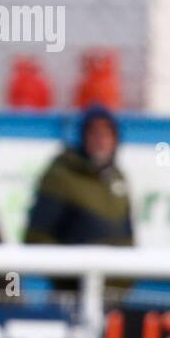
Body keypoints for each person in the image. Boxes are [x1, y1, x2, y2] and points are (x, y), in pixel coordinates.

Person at [25, 105, 133, 251]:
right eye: (94, 133)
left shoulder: (117, 178)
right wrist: (68, 268)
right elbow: (36, 237)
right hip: (78, 271)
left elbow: (128, 236)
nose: (100, 141)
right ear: (83, 137)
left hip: (117, 272)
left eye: (106, 134)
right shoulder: (60, 176)